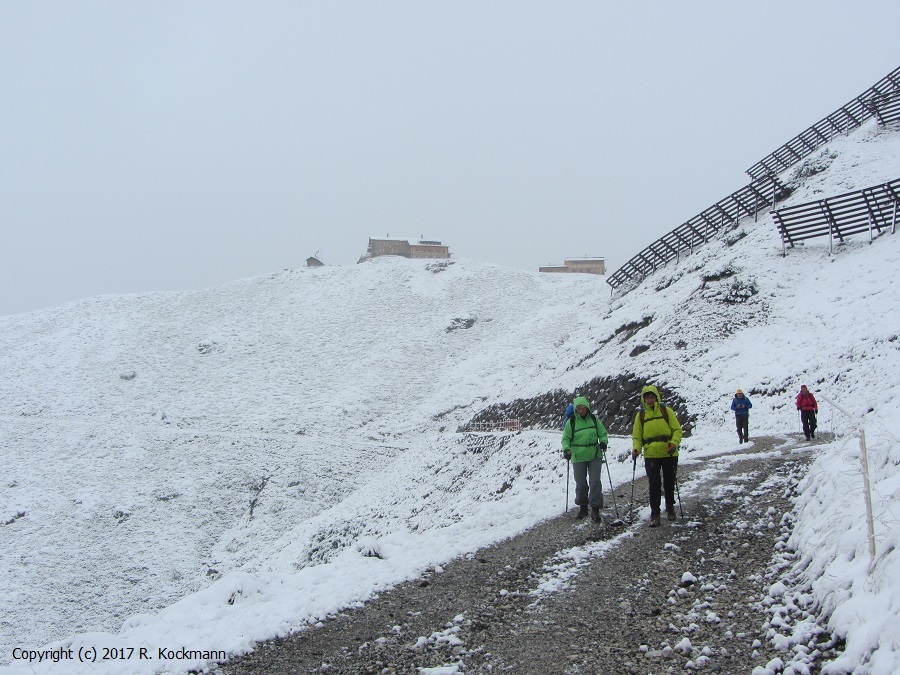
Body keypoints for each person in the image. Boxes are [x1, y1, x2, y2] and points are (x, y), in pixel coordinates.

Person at [632, 385, 683, 527]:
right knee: (654, 484)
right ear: (644, 399)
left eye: (652, 396)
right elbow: (637, 436)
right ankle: (655, 513)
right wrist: (637, 448)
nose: (650, 399)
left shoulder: (666, 411)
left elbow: (677, 430)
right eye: (647, 397)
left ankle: (670, 507)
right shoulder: (641, 415)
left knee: (669, 482)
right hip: (651, 454)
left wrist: (674, 443)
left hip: (668, 452)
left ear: (656, 397)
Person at [561, 396, 609, 522]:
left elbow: (602, 433)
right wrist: (566, 449)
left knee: (595, 482)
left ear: (587, 407)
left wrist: (603, 442)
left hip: (594, 454)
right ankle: (583, 507)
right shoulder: (571, 421)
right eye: (578, 408)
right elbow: (565, 438)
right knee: (581, 484)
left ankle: (595, 509)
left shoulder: (594, 419)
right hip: (578, 456)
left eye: (582, 407)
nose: (581, 410)